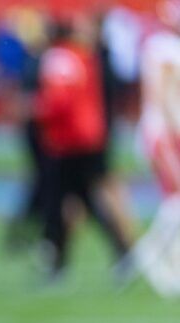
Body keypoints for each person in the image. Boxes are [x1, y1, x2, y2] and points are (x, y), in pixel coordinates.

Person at [35, 17, 130, 280]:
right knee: (82, 198)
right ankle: (120, 251)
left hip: (67, 141)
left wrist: (36, 110)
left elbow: (59, 101)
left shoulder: (59, 57)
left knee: (58, 201)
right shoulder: (84, 55)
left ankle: (57, 263)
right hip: (88, 137)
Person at [132, 0, 180, 296]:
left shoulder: (162, 44)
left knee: (174, 198)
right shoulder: (163, 46)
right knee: (176, 195)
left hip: (166, 129)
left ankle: (167, 260)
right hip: (163, 131)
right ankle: (149, 253)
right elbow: (163, 95)